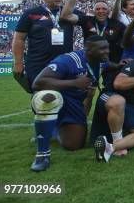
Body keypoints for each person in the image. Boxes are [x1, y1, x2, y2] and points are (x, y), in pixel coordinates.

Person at [29, 36, 111, 171]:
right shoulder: (68, 60)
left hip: (74, 103)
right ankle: (42, 154)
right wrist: (74, 83)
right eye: (102, 48)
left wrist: (121, 64)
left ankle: (53, 129)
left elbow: (109, 64)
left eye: (107, 47)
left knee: (74, 145)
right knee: (49, 96)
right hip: (55, 98)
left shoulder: (100, 62)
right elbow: (38, 82)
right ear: (88, 50)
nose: (107, 51)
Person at [13, 0, 85, 89]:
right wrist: (18, 63)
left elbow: (90, 23)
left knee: (67, 97)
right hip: (38, 64)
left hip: (65, 63)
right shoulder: (31, 14)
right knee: (43, 99)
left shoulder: (70, 13)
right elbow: (19, 38)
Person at [61, 0, 126, 63]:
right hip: (92, 64)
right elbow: (66, 16)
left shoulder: (116, 24)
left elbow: (128, 41)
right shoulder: (87, 20)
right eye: (98, 9)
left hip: (113, 64)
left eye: (104, 9)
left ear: (108, 11)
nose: (101, 11)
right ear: (93, 11)